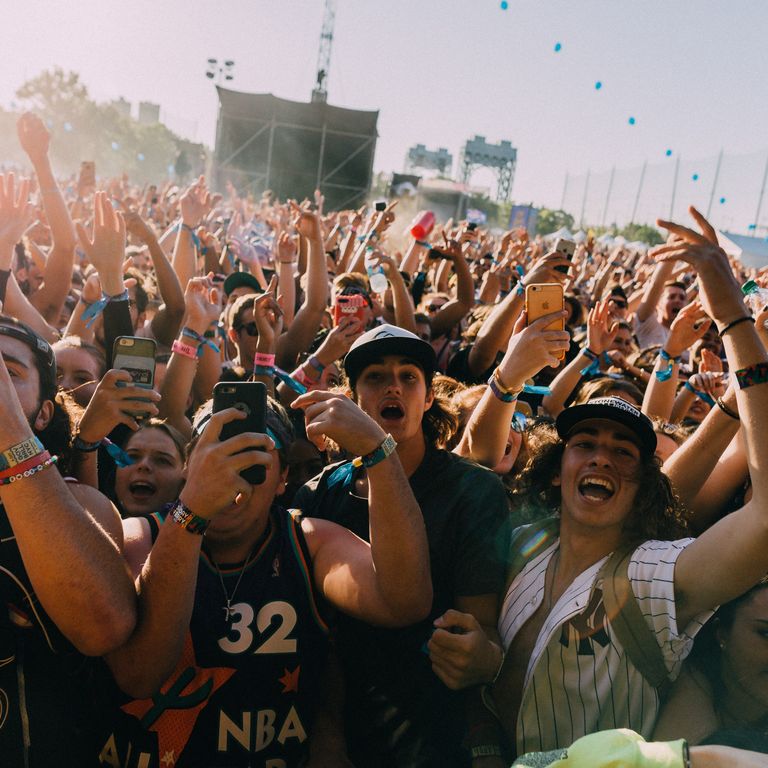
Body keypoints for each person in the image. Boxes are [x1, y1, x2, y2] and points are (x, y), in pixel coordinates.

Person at [428, 207, 768, 762]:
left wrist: (734, 318)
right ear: (557, 466)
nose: (601, 459)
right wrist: (486, 668)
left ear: (644, 482)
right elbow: (470, 465)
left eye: (623, 450)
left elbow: (765, 520)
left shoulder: (657, 577)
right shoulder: (521, 544)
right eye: (585, 444)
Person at [97, 393, 432, 767]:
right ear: (188, 467)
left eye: (254, 454)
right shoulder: (138, 538)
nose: (233, 469)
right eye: (219, 448)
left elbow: (405, 601)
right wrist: (190, 516)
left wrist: (379, 452)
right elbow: (138, 674)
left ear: (282, 478)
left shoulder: (307, 542)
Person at [294, 324, 510, 766]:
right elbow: (320, 633)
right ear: (352, 398)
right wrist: (327, 726)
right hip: (338, 727)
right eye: (375, 376)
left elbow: (481, 625)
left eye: (408, 377)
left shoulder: (474, 492)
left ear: (428, 398)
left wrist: (481, 656)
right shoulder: (317, 496)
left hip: (434, 731)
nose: (393, 386)